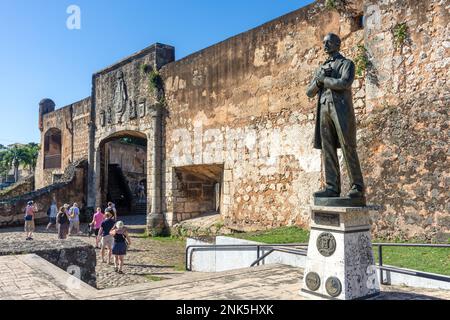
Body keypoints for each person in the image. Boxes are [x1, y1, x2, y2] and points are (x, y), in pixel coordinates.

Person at [306, 33, 365, 202]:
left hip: (341, 110)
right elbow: (309, 92)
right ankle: (331, 187)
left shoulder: (346, 64)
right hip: (324, 109)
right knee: (327, 148)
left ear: (337, 44)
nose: (325, 46)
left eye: (328, 42)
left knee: (348, 146)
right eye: (324, 43)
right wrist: (319, 81)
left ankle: (357, 187)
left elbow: (345, 83)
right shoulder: (321, 68)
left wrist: (325, 79)